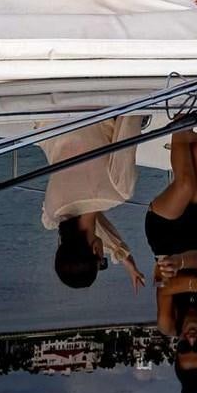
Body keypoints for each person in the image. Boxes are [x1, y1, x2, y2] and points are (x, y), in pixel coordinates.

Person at [148, 127, 197, 393]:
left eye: (183, 348)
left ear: (176, 348)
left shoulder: (167, 323)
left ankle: (181, 111)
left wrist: (193, 278)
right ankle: (193, 116)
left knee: (185, 184)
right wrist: (185, 270)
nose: (190, 340)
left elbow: (165, 286)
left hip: (163, 236)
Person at [41, 117, 148, 290]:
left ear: (97, 251)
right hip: (50, 116)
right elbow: (81, 221)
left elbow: (129, 120)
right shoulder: (53, 212)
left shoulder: (117, 191)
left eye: (101, 258)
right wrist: (122, 255)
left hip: (94, 108)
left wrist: (120, 254)